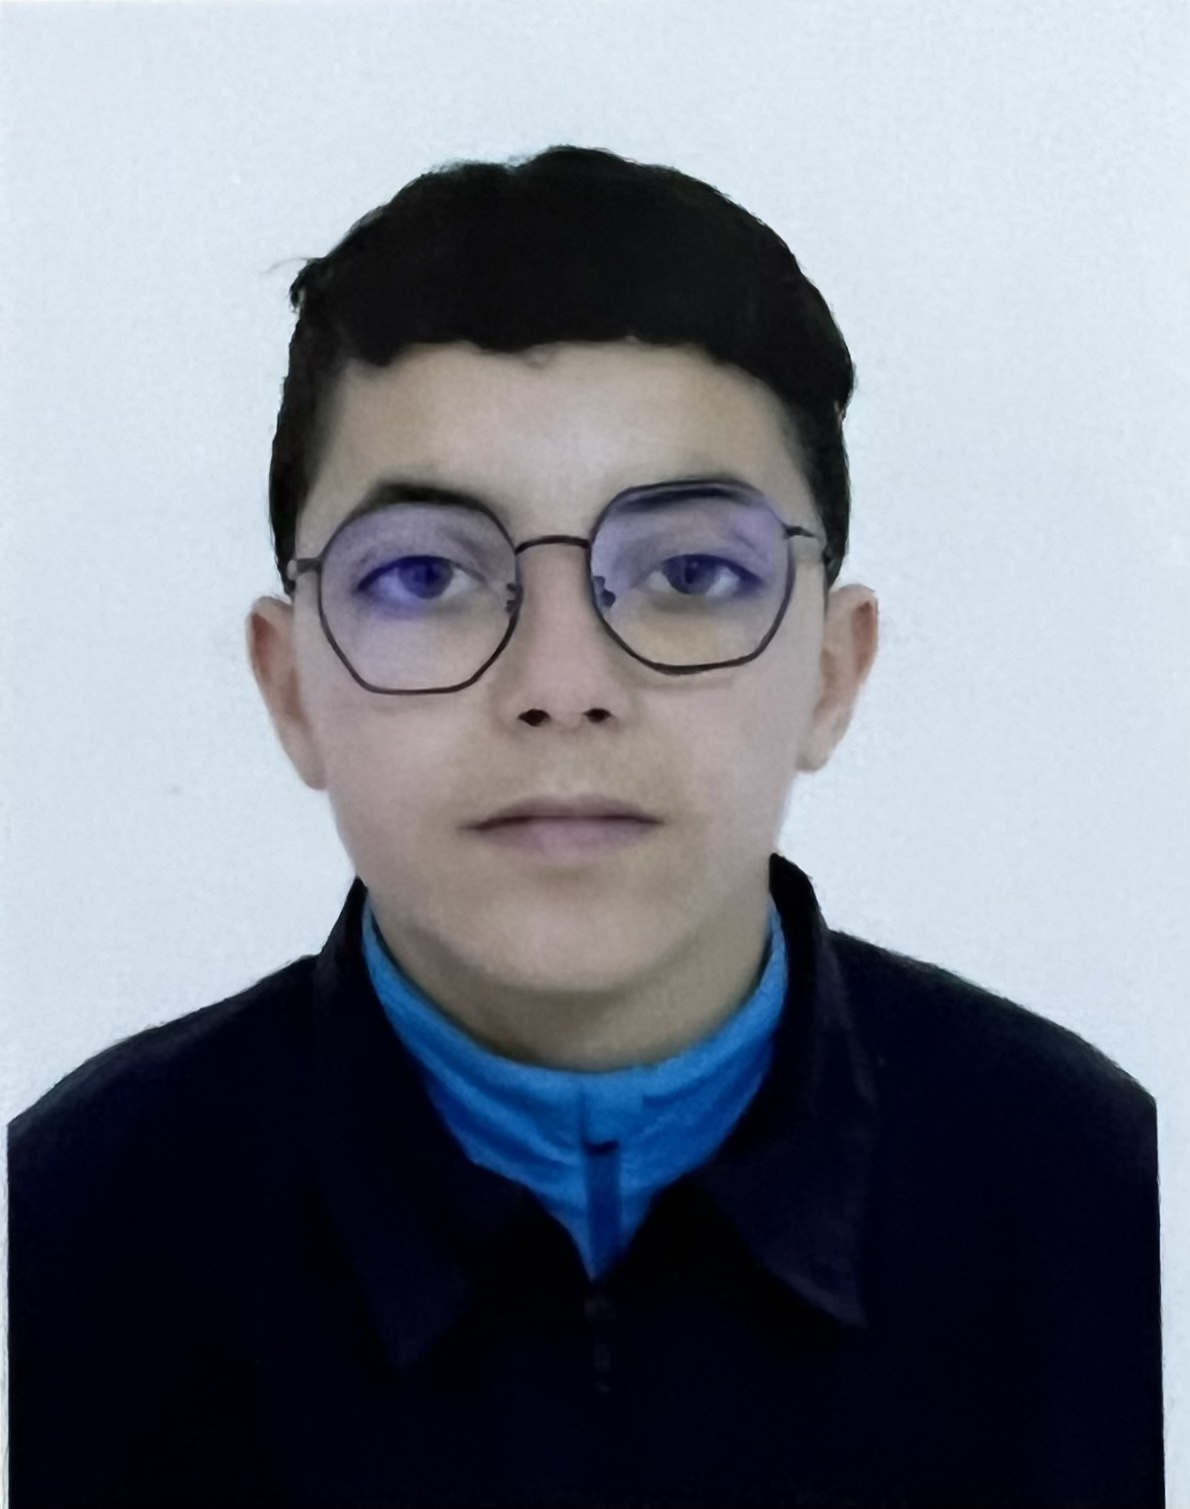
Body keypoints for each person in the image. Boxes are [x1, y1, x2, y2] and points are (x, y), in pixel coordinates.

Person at [7, 145, 1163, 1508]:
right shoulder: (63, 1237)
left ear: (832, 671)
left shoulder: (1110, 1207)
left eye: (691, 572)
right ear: (291, 687)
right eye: (424, 574)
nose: (561, 685)